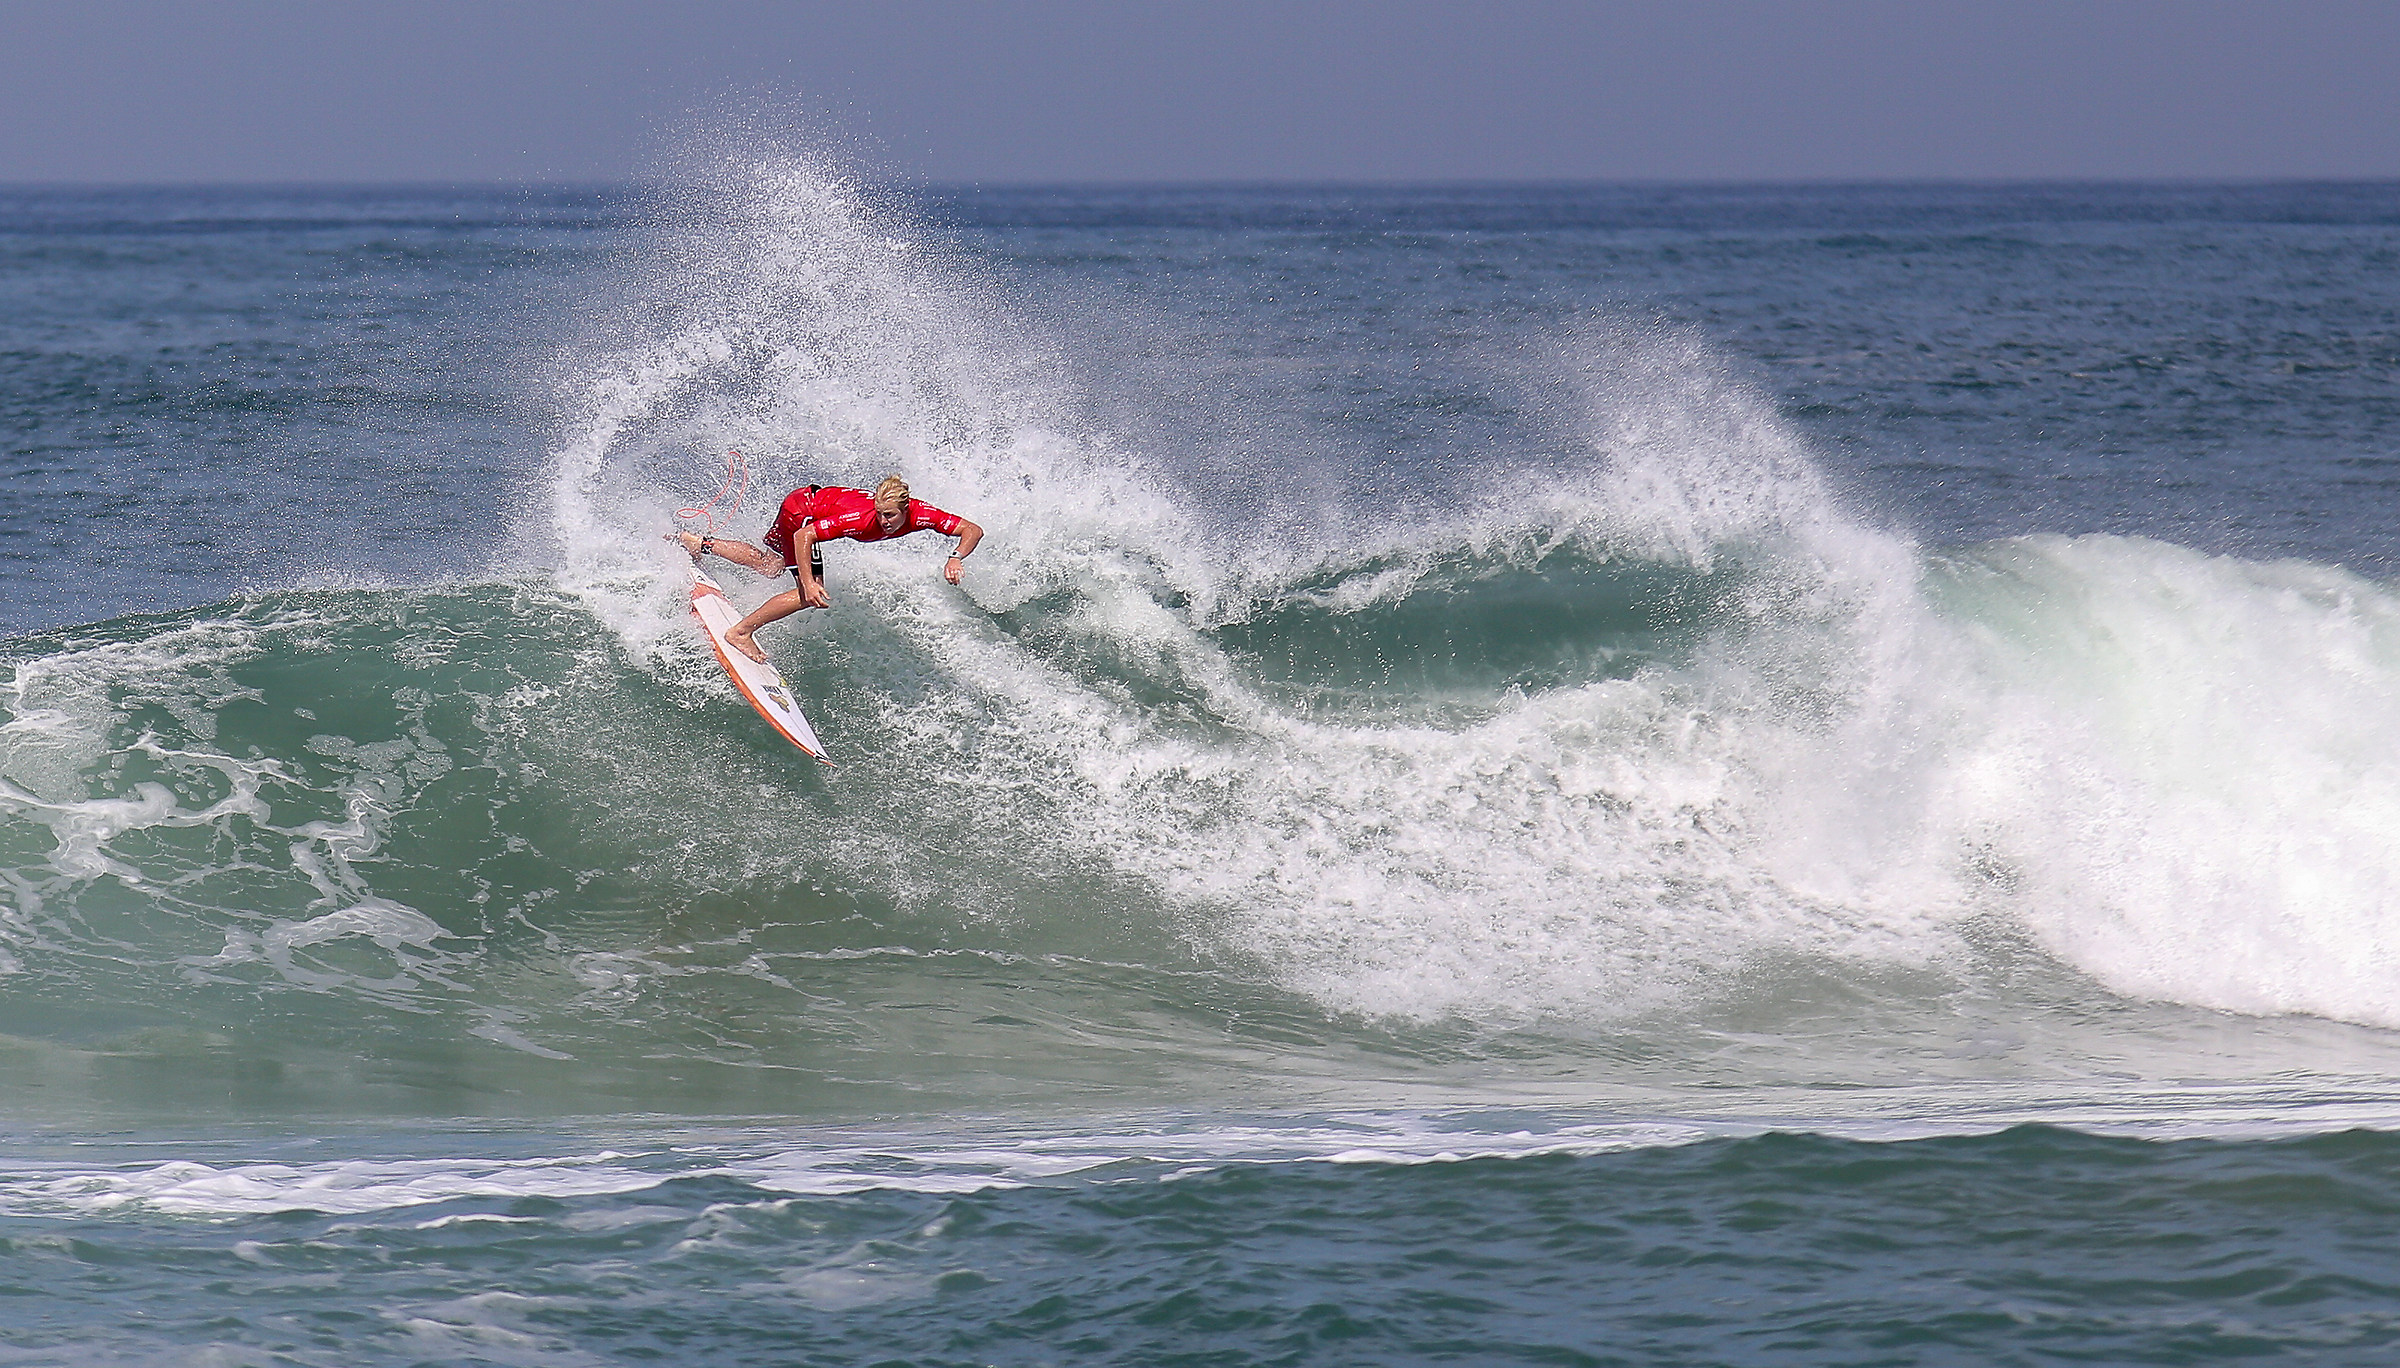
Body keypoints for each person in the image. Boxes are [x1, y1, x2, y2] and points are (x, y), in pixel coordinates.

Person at [670, 475, 984, 662]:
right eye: (879, 513)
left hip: (807, 501)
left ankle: (698, 544)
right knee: (808, 593)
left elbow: (972, 529)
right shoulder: (862, 519)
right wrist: (808, 582)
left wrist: (955, 557)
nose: (883, 522)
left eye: (890, 515)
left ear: (906, 508)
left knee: (772, 566)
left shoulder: (923, 514)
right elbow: (804, 536)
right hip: (801, 514)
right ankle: (740, 632)